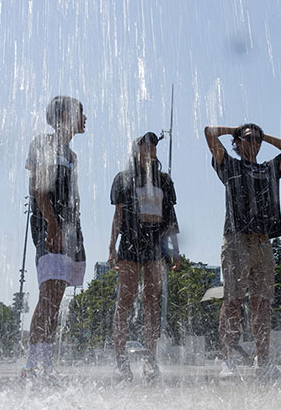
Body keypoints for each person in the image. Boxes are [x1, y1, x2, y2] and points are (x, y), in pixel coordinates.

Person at [204, 123, 281, 380]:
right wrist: (237, 129)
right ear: (237, 142)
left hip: (263, 242)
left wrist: (262, 135)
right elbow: (209, 132)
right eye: (248, 139)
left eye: (257, 140)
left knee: (262, 304)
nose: (254, 143)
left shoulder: (268, 168)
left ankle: (264, 362)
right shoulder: (229, 165)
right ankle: (228, 360)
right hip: (236, 240)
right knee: (233, 301)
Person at [21, 95, 87, 380]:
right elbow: (39, 186)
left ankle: (46, 363)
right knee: (48, 295)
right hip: (50, 226)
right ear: (65, 117)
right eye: (81, 114)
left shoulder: (71, 154)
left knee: (57, 295)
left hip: (70, 227)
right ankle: (31, 365)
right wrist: (52, 225)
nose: (85, 119)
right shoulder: (42, 143)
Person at [108, 132, 180, 382]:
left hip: (155, 241)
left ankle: (151, 359)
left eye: (153, 145)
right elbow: (118, 216)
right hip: (130, 240)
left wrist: (175, 250)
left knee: (152, 302)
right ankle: (121, 359)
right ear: (136, 149)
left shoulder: (164, 180)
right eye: (145, 144)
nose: (150, 148)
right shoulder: (124, 178)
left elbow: (171, 217)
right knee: (125, 299)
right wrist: (111, 248)